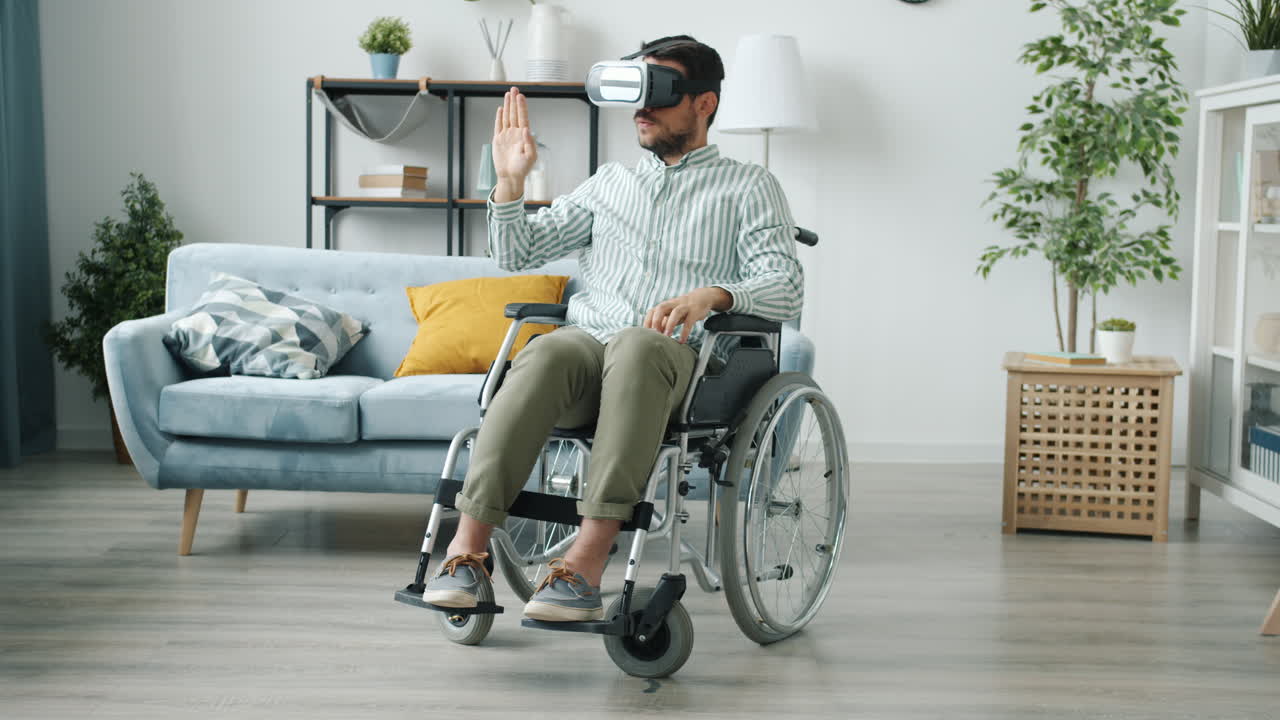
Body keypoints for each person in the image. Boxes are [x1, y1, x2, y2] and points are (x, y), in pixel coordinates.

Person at [423, 35, 804, 622]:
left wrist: (715, 295)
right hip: (587, 357)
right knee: (549, 352)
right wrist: (509, 183)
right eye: (636, 95)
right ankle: (467, 551)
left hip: (679, 364)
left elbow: (785, 284)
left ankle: (585, 561)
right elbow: (515, 252)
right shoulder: (608, 184)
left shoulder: (749, 186)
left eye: (660, 94)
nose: (642, 110)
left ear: (704, 103)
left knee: (637, 345)